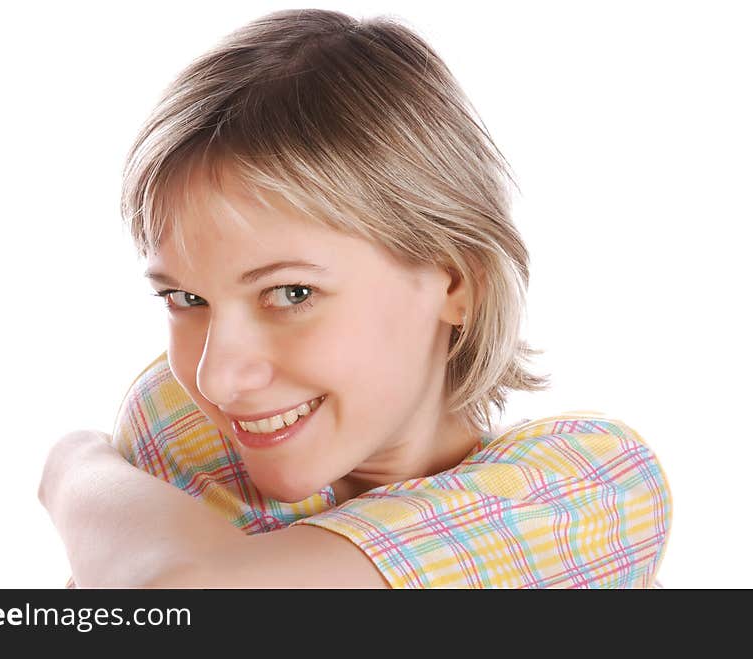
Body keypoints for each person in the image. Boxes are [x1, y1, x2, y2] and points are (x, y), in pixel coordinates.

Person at [38, 8, 672, 588]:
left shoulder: (586, 487)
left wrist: (73, 469)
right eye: (185, 298)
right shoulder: (177, 413)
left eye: (290, 293)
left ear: (456, 283)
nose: (220, 378)